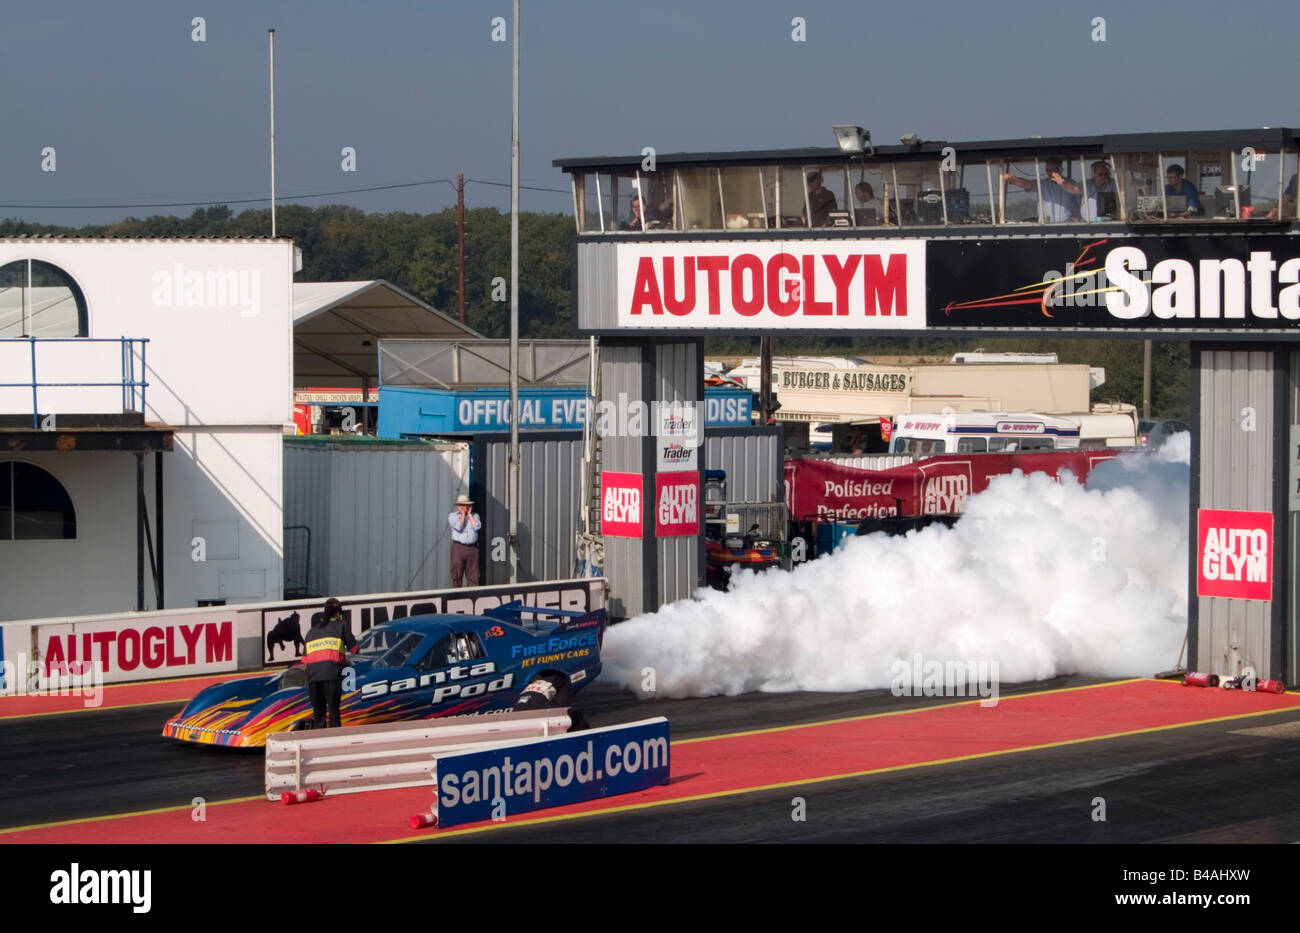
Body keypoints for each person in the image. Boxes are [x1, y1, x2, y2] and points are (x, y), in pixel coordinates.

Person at [304, 597, 357, 730]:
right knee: (333, 714)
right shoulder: (341, 626)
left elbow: (305, 661)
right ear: (338, 613)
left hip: (313, 678)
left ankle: (319, 746)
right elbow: (355, 649)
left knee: (319, 716)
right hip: (331, 675)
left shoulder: (312, 631)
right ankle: (334, 745)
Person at [1003, 156, 1080, 222]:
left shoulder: (1072, 184)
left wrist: (1076, 221)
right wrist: (1013, 179)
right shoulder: (1042, 184)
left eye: (1052, 170)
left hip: (1067, 227)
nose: (1049, 173)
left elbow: (1080, 204)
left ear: (1061, 169)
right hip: (1046, 227)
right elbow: (1026, 184)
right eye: (1047, 170)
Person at [448, 493, 481, 587]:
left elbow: (477, 526)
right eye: (462, 505)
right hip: (458, 548)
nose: (464, 507)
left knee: (473, 576)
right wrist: (462, 516)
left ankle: (473, 597)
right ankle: (457, 596)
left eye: (466, 505)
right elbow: (458, 527)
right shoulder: (453, 516)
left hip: (472, 549)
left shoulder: (475, 516)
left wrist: (469, 515)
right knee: (457, 574)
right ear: (458, 506)